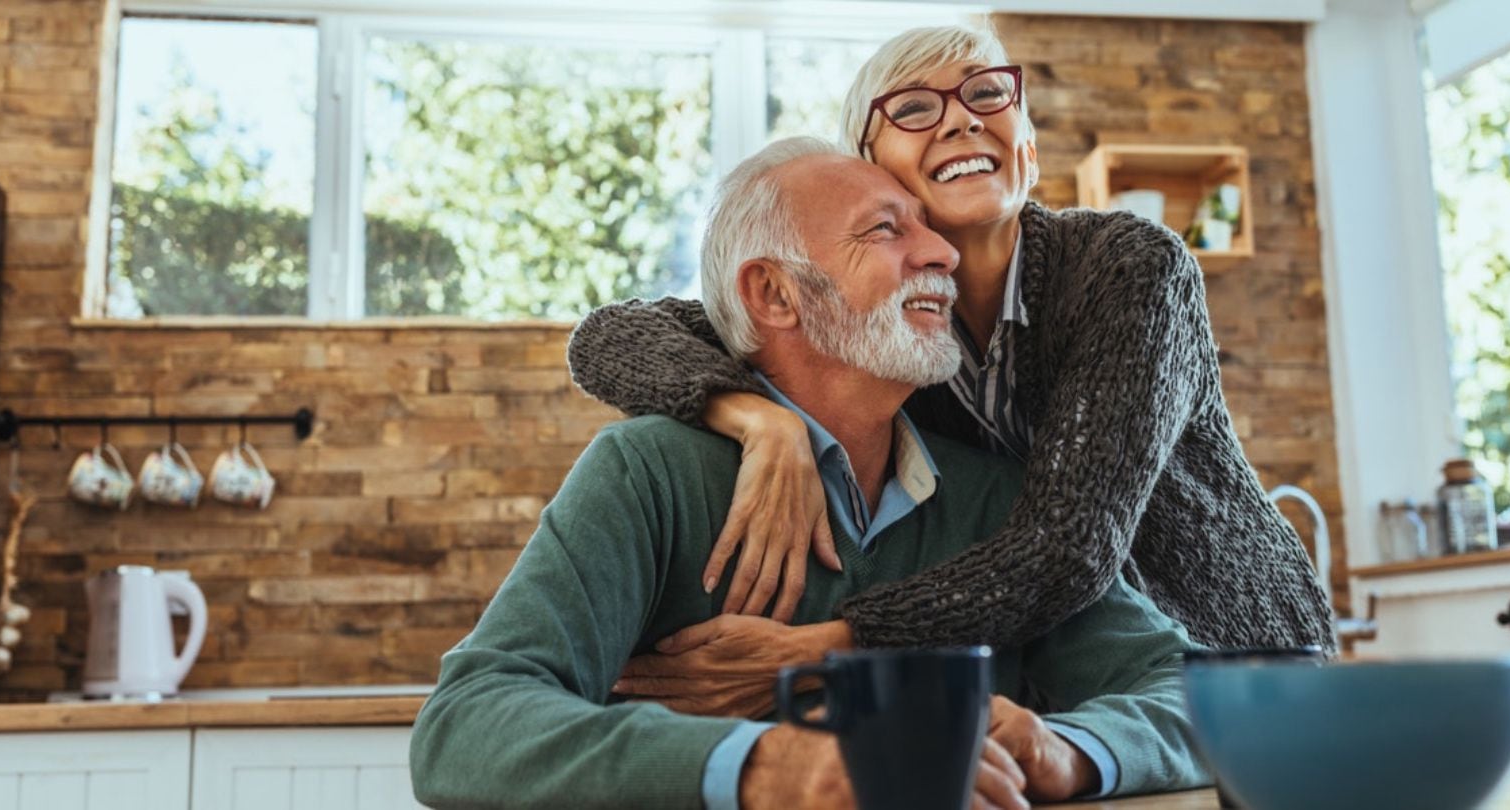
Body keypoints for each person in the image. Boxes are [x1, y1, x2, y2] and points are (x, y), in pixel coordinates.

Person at [408, 138, 1210, 810]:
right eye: (886, 230)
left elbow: (1194, 696)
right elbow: (468, 724)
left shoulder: (995, 498)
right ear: (775, 294)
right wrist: (766, 766)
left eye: (927, 229)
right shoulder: (649, 472)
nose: (940, 253)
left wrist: (1064, 745)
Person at [564, 26, 1334, 691]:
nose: (961, 121)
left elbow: (1067, 547)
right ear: (868, 166)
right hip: (1060, 677)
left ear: (1025, 148)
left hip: (1232, 657)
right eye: (913, 108)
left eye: (987, 97)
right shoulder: (883, 329)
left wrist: (827, 651)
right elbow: (610, 335)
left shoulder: (1129, 268)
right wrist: (762, 422)